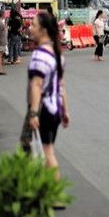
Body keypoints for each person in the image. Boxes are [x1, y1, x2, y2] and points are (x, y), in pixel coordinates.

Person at [24, 11, 70, 190]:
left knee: (46, 151)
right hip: (56, 109)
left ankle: (55, 192)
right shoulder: (57, 54)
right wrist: (65, 111)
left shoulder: (39, 55)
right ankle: (42, 188)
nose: (30, 28)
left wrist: (34, 113)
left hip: (44, 110)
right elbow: (62, 86)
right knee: (41, 150)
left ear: (43, 30)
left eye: (34, 25)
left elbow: (37, 85)